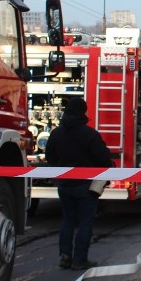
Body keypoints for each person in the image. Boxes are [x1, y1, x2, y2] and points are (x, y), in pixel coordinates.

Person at [45, 96, 112, 270]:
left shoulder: (56, 134)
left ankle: (65, 256)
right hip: (86, 186)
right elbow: (104, 159)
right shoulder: (89, 134)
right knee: (85, 222)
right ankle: (80, 259)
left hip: (65, 185)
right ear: (83, 112)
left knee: (67, 220)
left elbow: (49, 157)